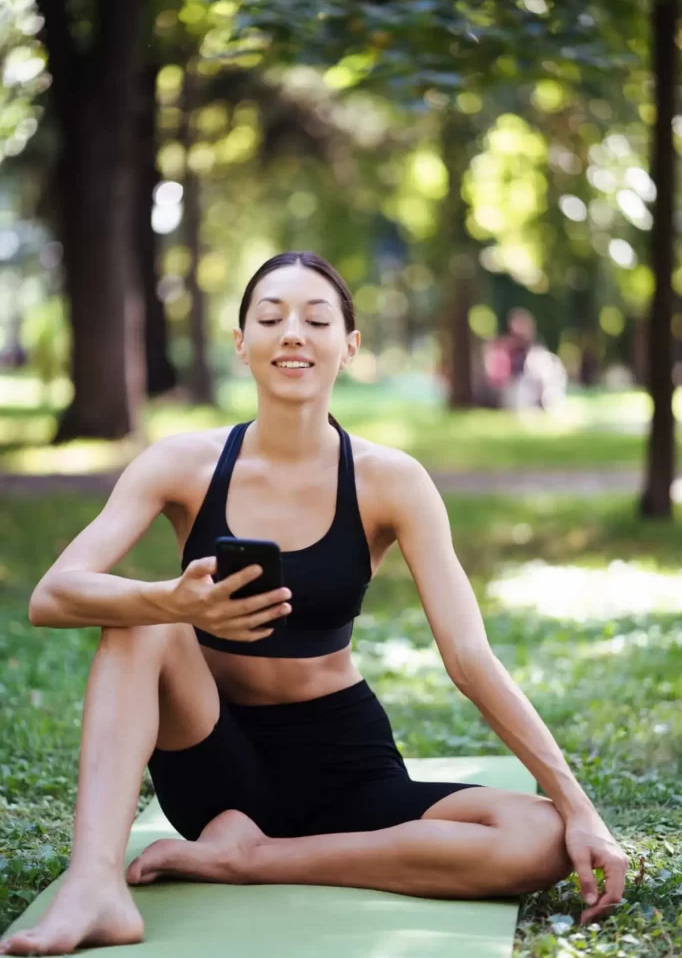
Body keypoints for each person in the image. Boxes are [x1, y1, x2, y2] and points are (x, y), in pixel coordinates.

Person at [0, 252, 628, 957]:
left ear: (349, 346)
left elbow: (467, 654)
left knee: (538, 840)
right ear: (242, 344)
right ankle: (95, 888)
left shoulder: (391, 481)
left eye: (316, 319)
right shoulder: (182, 464)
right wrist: (172, 601)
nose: (292, 333)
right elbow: (52, 595)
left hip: (344, 764)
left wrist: (579, 809)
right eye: (270, 318)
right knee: (142, 625)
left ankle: (248, 860)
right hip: (214, 768)